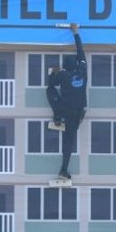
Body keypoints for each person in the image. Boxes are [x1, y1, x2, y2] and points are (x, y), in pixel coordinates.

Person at [46, 23, 87, 180]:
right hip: (78, 111)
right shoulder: (83, 70)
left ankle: (57, 116)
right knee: (69, 139)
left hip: (64, 109)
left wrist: (53, 72)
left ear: (65, 67)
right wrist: (76, 33)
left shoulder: (63, 75)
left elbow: (51, 83)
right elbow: (81, 52)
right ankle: (63, 169)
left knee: (50, 90)